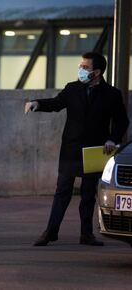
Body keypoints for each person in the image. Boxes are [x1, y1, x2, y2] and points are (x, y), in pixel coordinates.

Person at [25, 51, 129, 246]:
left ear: (96, 72)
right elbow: (56, 103)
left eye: (85, 67)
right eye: (80, 66)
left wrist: (112, 140)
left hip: (95, 151)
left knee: (88, 193)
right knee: (62, 190)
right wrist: (36, 104)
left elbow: (122, 121)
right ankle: (50, 232)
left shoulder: (112, 94)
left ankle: (86, 234)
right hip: (71, 149)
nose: (80, 70)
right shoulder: (72, 89)